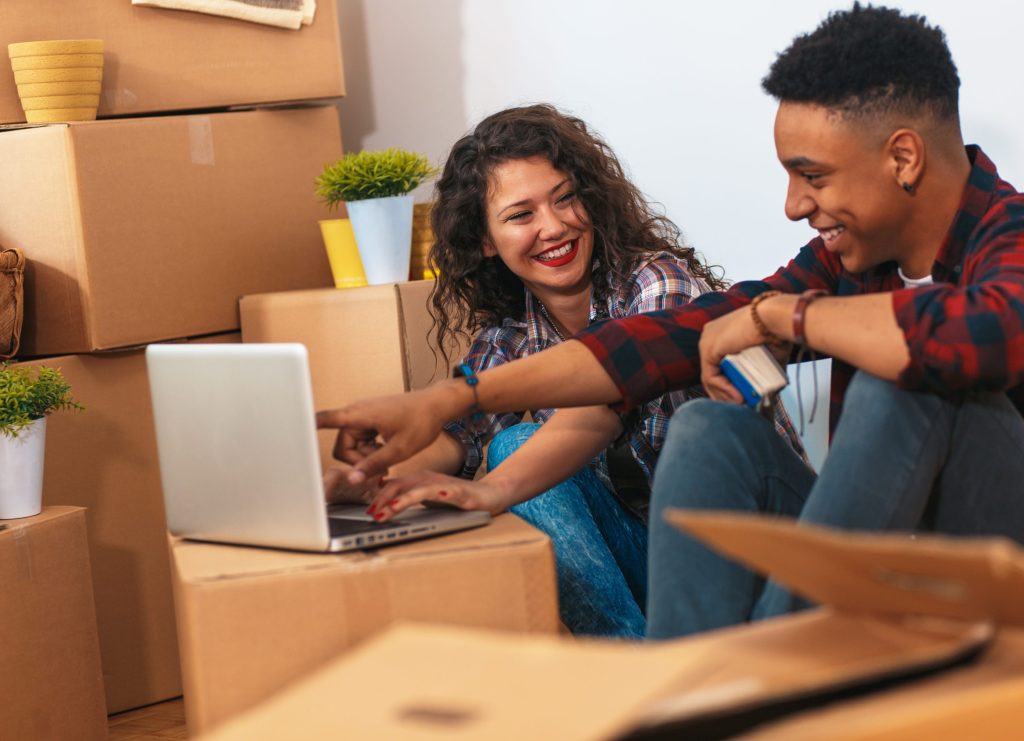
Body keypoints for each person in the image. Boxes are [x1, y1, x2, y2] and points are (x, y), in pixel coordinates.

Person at [319, 2, 1024, 641]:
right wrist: (452, 398)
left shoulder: (1009, 232)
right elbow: (656, 345)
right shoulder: (848, 261)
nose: (793, 205)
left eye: (812, 176)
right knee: (707, 428)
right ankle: (694, 689)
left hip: (990, 575)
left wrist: (787, 314)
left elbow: (987, 332)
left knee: (903, 379)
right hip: (867, 575)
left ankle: (771, 678)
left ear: (903, 157)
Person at [321, 104, 782, 638]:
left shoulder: (659, 283)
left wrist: (493, 489)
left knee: (515, 449)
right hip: (653, 560)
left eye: (565, 198)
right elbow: (456, 437)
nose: (555, 226)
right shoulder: (513, 337)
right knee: (507, 444)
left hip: (747, 558)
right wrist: (366, 479)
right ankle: (632, 664)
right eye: (521, 215)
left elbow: (603, 404)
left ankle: (651, 672)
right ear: (486, 241)